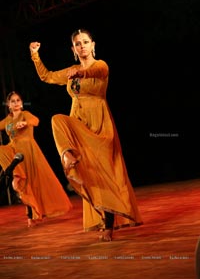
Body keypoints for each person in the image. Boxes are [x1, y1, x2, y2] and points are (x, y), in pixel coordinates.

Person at [29, 28, 143, 241]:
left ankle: (108, 225)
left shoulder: (101, 65)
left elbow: (95, 73)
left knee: (102, 173)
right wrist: (35, 55)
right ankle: (67, 155)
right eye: (77, 44)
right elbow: (47, 77)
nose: (82, 46)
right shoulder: (71, 69)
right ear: (73, 49)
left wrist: (81, 72)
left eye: (85, 42)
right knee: (57, 120)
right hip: (78, 123)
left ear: (93, 45)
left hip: (99, 125)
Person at [0, 91, 72, 227]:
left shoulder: (25, 114)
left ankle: (33, 215)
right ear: (8, 104)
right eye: (13, 101)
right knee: (23, 182)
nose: (16, 103)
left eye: (18, 100)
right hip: (15, 150)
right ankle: (16, 176)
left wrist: (26, 123)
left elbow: (36, 121)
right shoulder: (7, 120)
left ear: (21, 103)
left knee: (32, 182)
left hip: (29, 151)